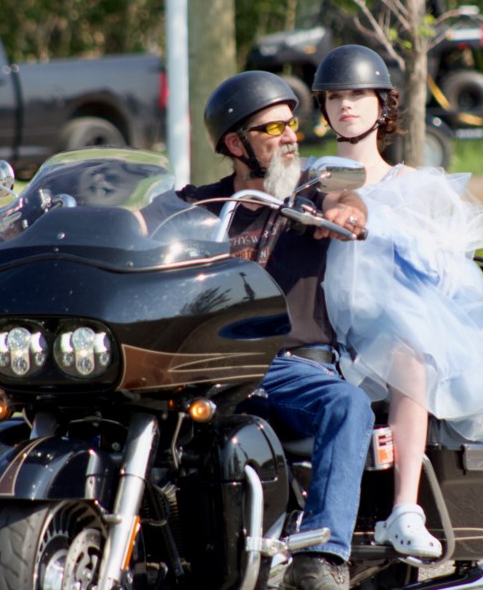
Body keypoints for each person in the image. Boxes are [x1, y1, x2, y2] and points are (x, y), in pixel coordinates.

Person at [312, 45, 483, 558]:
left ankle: (404, 510)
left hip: (392, 326)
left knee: (410, 350)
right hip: (324, 322)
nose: (345, 106)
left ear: (383, 105)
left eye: (358, 94)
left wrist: (396, 234)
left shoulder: (414, 186)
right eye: (334, 96)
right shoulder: (318, 175)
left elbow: (449, 271)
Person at [189, 70, 374, 590]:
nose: (291, 135)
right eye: (274, 129)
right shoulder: (198, 206)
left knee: (347, 404)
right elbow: (139, 226)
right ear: (235, 143)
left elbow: (349, 202)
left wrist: (347, 212)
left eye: (292, 123)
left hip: (287, 365)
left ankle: (323, 555)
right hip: (208, 364)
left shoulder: (311, 193)